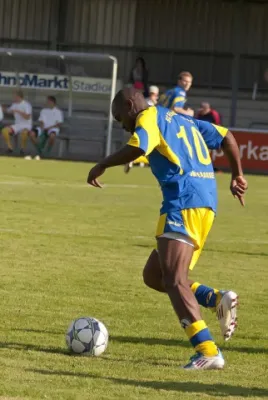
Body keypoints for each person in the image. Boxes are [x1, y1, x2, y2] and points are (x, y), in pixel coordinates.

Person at [87, 88, 248, 370]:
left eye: (119, 117)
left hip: (182, 201)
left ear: (130, 104)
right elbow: (227, 136)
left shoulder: (147, 117)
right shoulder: (182, 119)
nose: (121, 124)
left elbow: (139, 146)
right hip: (204, 201)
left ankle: (207, 350)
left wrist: (102, 163)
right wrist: (237, 174)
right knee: (154, 274)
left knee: (174, 280)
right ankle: (214, 298)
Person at [124, 85, 159, 173]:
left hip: (143, 128)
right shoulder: (149, 104)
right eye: (154, 94)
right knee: (149, 151)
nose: (154, 96)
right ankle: (133, 160)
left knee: (147, 151)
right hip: (147, 129)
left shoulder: (145, 102)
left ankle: (133, 160)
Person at [25, 96, 63, 160]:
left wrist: (48, 128)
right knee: (31, 134)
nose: (47, 102)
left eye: (48, 101)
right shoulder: (44, 110)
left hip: (53, 128)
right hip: (43, 128)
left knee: (52, 136)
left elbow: (58, 124)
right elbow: (41, 121)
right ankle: (40, 150)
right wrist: (42, 128)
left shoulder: (58, 112)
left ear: (52, 102)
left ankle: (47, 151)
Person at [1, 90, 32, 155]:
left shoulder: (26, 105)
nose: (13, 98)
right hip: (17, 125)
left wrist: (18, 111)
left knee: (24, 132)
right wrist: (3, 109)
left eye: (14, 96)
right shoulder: (14, 104)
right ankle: (10, 148)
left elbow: (28, 117)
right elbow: (9, 111)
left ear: (18, 97)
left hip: (26, 125)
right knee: (4, 131)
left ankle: (22, 149)